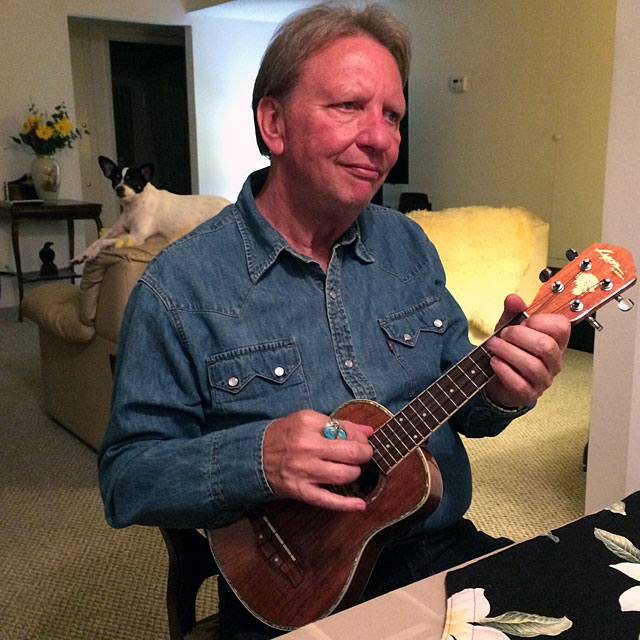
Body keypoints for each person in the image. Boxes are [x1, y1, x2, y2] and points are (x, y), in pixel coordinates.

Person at [98, 3, 570, 638]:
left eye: (393, 115)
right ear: (274, 122)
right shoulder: (177, 286)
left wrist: (509, 389)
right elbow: (127, 480)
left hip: (437, 551)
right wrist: (257, 458)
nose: (380, 139)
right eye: (349, 106)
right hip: (291, 586)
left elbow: (470, 406)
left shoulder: (410, 247)